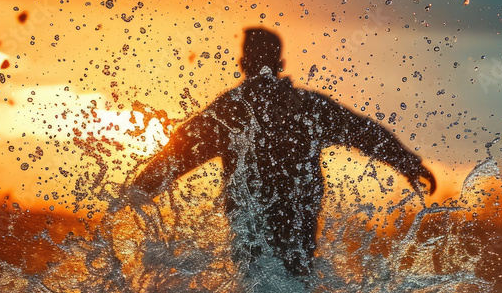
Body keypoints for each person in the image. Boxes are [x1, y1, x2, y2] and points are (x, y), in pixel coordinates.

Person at [128, 27, 436, 279]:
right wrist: (407, 162)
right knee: (295, 280)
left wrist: (139, 191)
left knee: (255, 282)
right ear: (280, 64)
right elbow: (363, 132)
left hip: (253, 222)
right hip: (296, 217)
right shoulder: (307, 106)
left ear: (243, 64)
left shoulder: (230, 111)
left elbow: (176, 155)